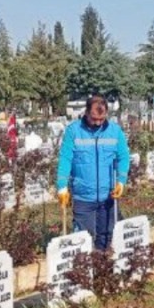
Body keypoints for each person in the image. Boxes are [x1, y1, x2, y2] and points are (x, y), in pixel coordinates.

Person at [56, 94, 130, 250]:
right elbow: (65, 159)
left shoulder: (115, 131)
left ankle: (104, 269)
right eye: (94, 119)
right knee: (83, 239)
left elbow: (123, 157)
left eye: (101, 119)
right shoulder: (74, 131)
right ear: (86, 113)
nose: (98, 123)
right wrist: (62, 186)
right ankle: (84, 271)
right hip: (83, 196)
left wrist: (121, 182)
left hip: (108, 195)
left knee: (107, 235)